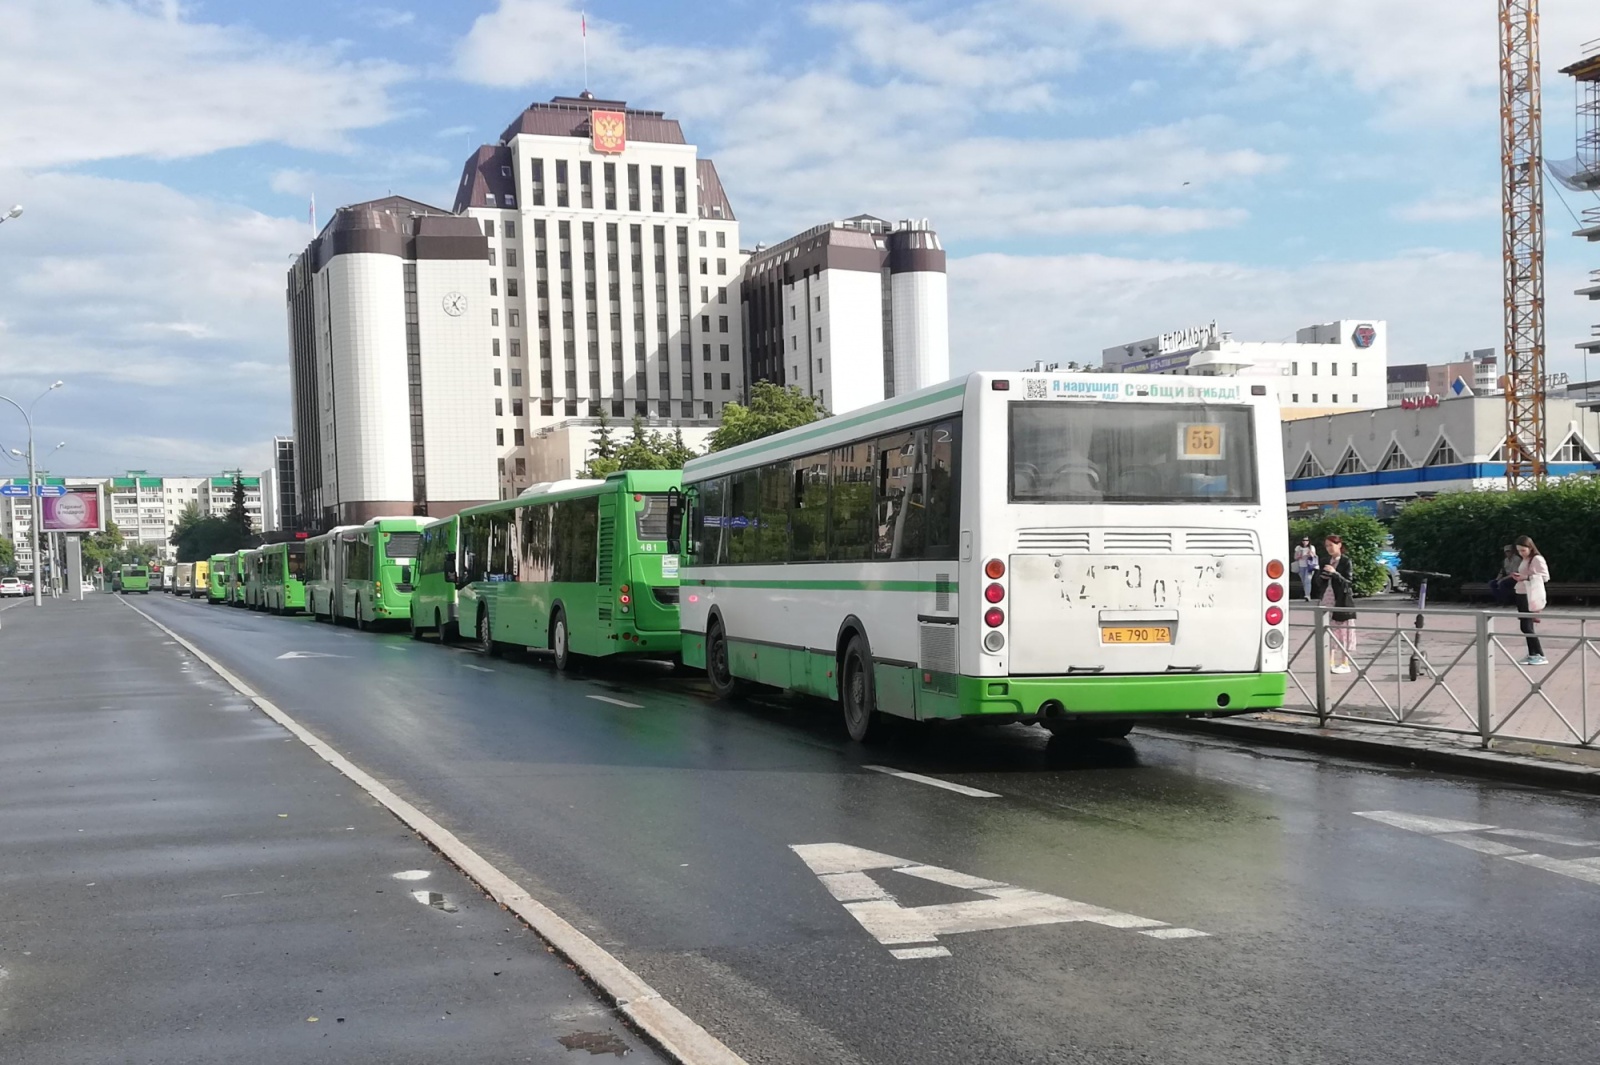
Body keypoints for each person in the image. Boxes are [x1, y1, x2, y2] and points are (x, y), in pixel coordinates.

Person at [1310, 533, 1357, 674]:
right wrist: (1321, 577)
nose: (1329, 548)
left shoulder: (1345, 561)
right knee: (1327, 629)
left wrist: (1335, 573)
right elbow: (1318, 582)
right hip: (1326, 598)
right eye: (1327, 546)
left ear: (1339, 545)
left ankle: (1345, 662)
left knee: (1344, 630)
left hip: (1341, 600)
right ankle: (1329, 662)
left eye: (1332, 545)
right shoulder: (1325, 560)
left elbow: (1348, 582)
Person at [1512, 535, 1550, 666]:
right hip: (1521, 592)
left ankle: (1540, 654)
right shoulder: (1526, 559)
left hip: (1529, 594)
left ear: (1530, 548)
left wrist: (1526, 577)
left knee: (1527, 626)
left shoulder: (1536, 559)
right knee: (1525, 625)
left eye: (1523, 550)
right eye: (1519, 551)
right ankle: (1532, 654)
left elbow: (1545, 577)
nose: (1521, 553)